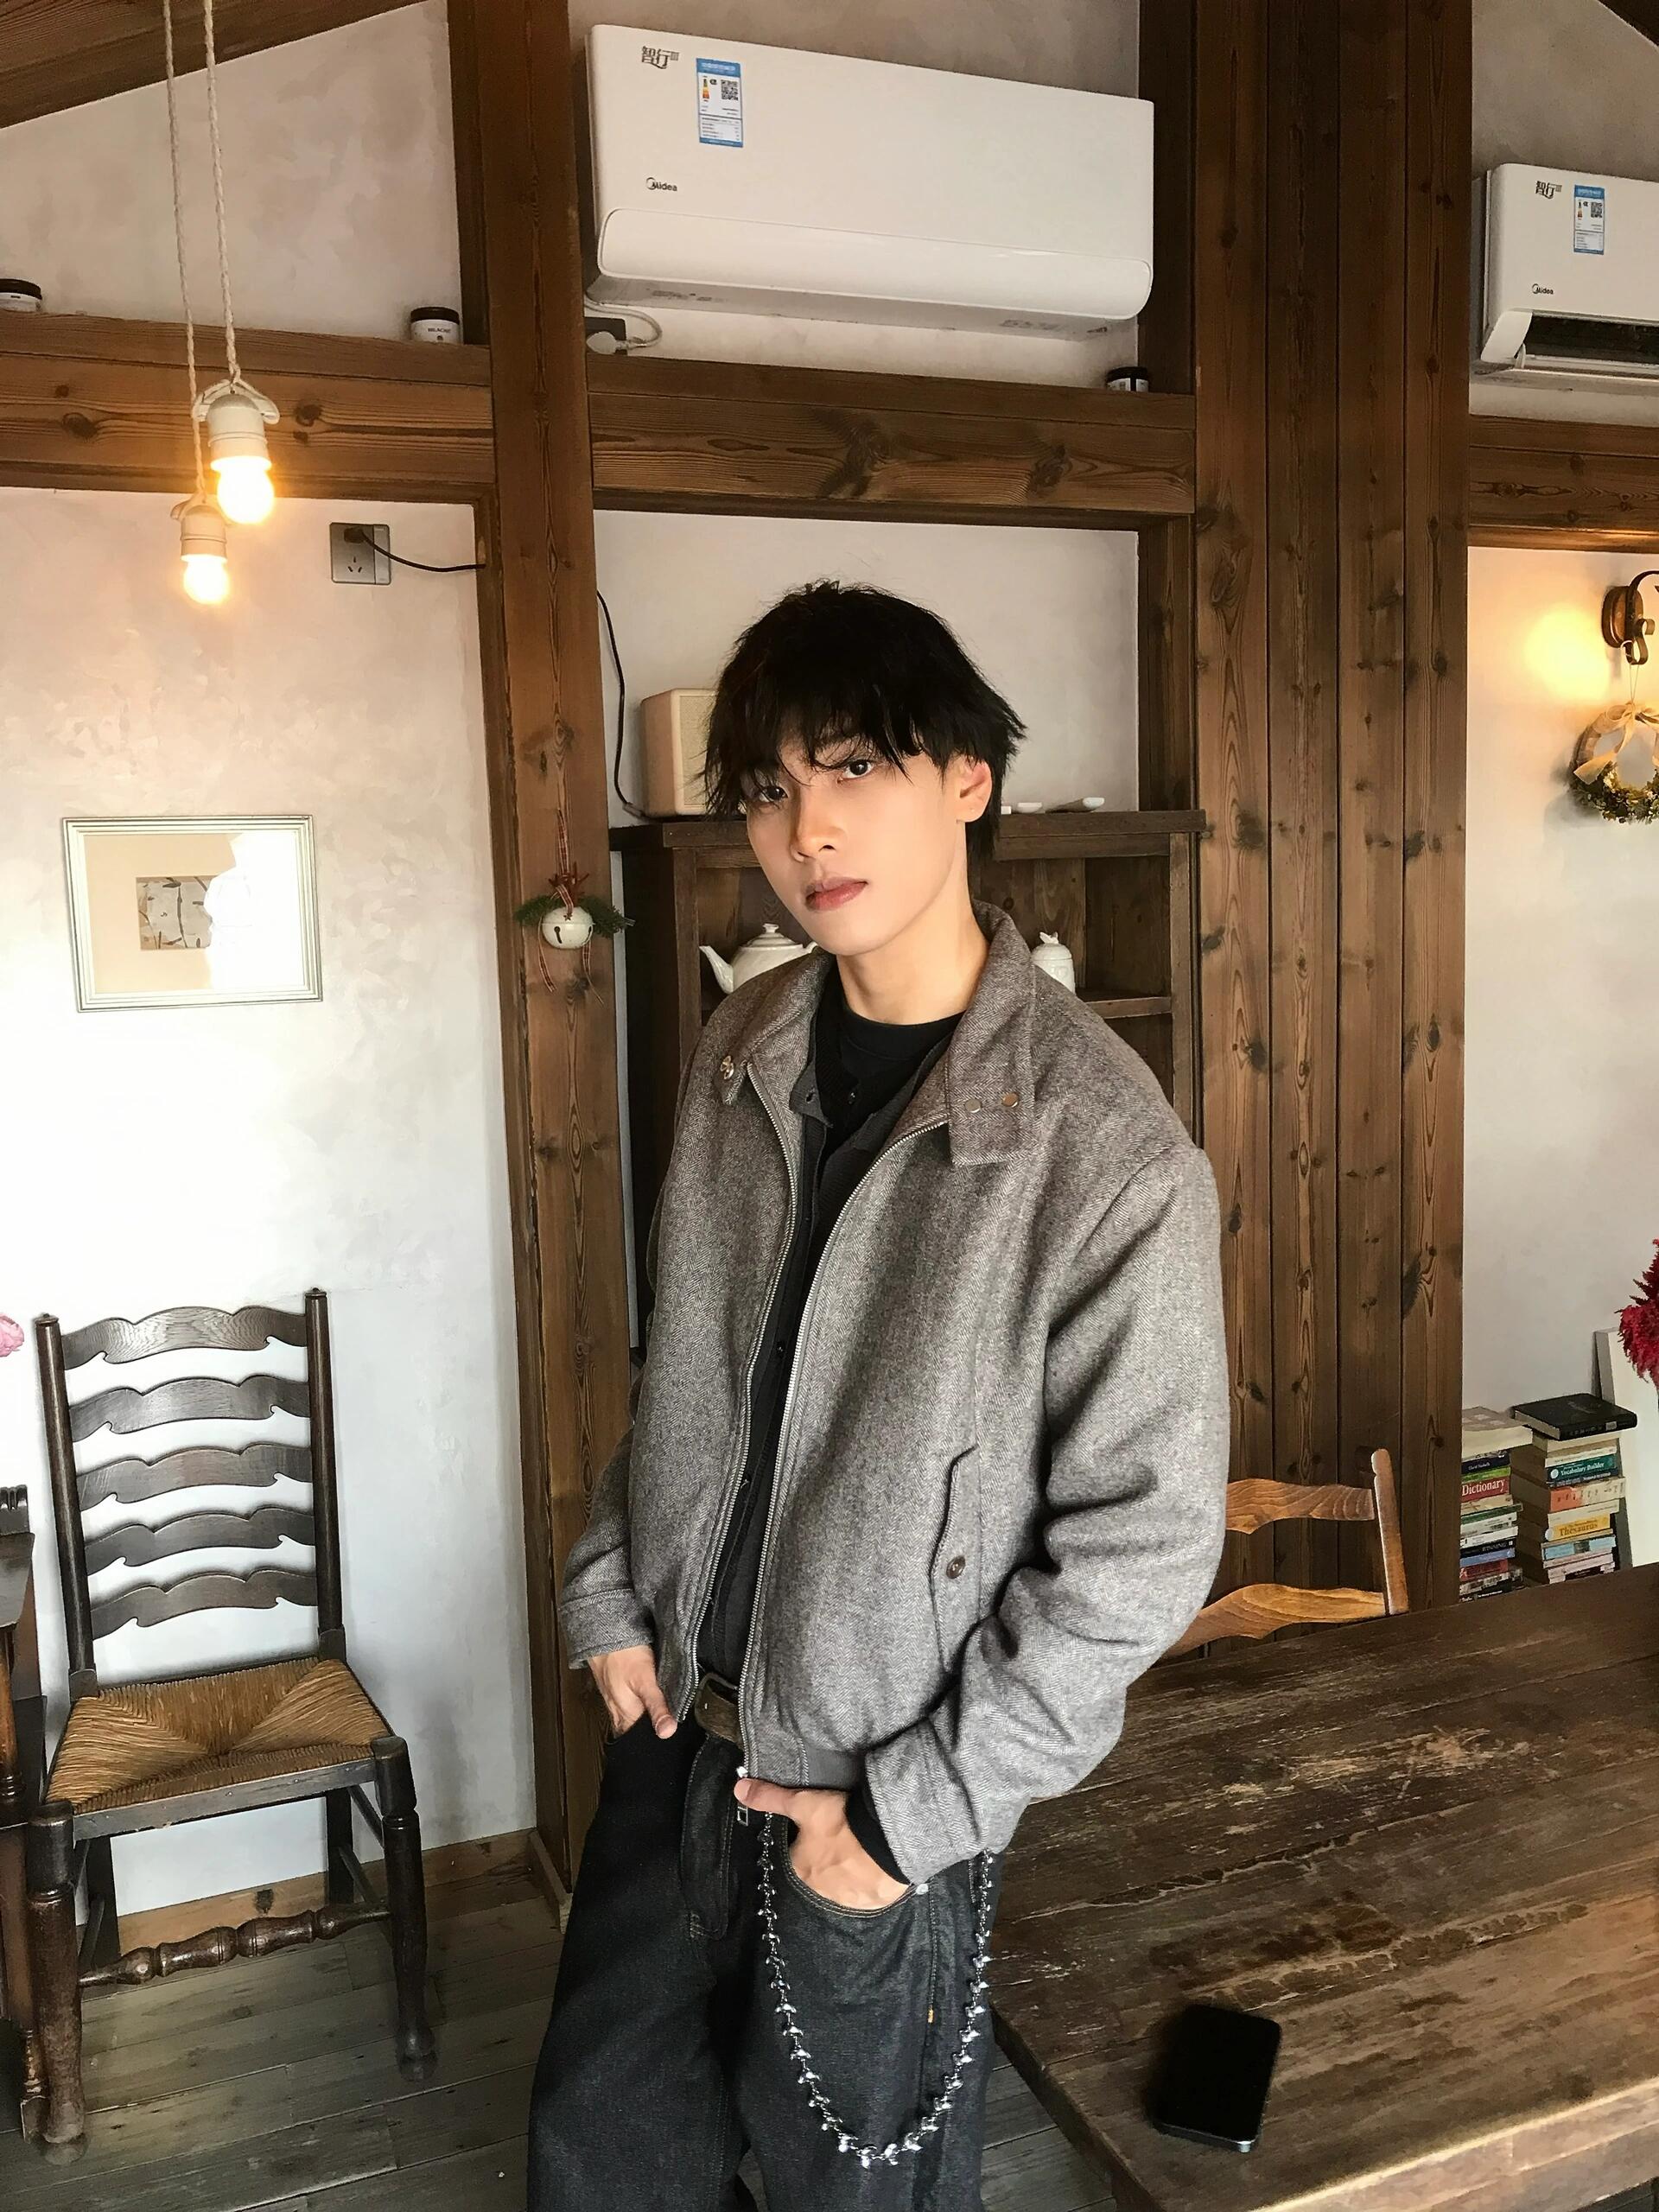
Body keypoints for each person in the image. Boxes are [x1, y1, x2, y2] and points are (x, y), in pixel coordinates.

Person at [527, 581, 1232, 2211]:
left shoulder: (1103, 1146)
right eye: (770, 788)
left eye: (854, 766)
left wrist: (914, 1818)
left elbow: (1143, 1545)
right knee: (599, 2162)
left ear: (968, 779)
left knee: (860, 2201)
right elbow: (688, 1370)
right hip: (670, 1746)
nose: (808, 829)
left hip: (876, 1802)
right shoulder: (743, 1045)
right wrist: (608, 1584)